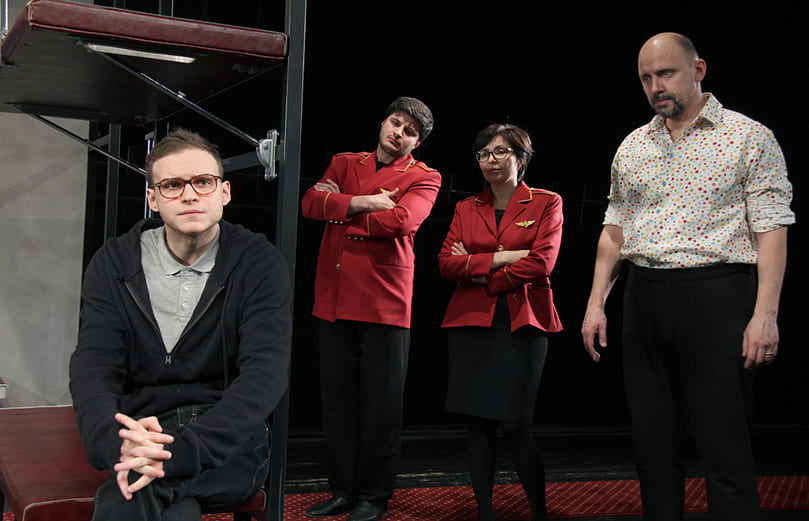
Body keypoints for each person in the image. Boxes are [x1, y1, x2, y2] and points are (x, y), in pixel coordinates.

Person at [581, 33, 795, 521]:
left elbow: (771, 229)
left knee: (724, 445)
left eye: (666, 73)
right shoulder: (633, 145)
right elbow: (614, 231)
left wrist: (765, 314)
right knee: (653, 446)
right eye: (646, 78)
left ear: (698, 70)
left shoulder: (748, 137)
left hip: (717, 294)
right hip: (644, 296)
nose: (656, 86)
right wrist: (596, 304)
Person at [69, 129, 293, 521]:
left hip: (230, 445)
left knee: (133, 489)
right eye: (172, 185)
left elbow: (264, 376)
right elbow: (94, 366)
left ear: (224, 192)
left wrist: (179, 453)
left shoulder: (258, 263)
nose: (189, 195)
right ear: (152, 199)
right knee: (172, 508)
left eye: (203, 182)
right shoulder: (114, 262)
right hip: (143, 429)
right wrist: (116, 442)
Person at [300, 96, 441, 521]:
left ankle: (374, 496)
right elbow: (309, 205)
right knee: (337, 405)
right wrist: (363, 202)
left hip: (384, 301)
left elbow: (401, 221)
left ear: (417, 142)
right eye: (396, 123)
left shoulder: (425, 176)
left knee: (381, 407)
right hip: (334, 298)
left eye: (409, 131)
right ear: (383, 122)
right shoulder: (344, 162)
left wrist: (340, 207)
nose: (399, 133)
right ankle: (343, 491)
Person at [438, 124, 563, 521]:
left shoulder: (546, 202)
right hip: (471, 322)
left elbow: (542, 263)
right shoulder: (466, 207)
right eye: (483, 154)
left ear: (521, 158)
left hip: (522, 321)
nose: (490, 160)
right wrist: (504, 258)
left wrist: (480, 272)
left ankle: (539, 512)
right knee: (478, 425)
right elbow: (446, 263)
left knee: (515, 425)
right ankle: (485, 514)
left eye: (500, 152)